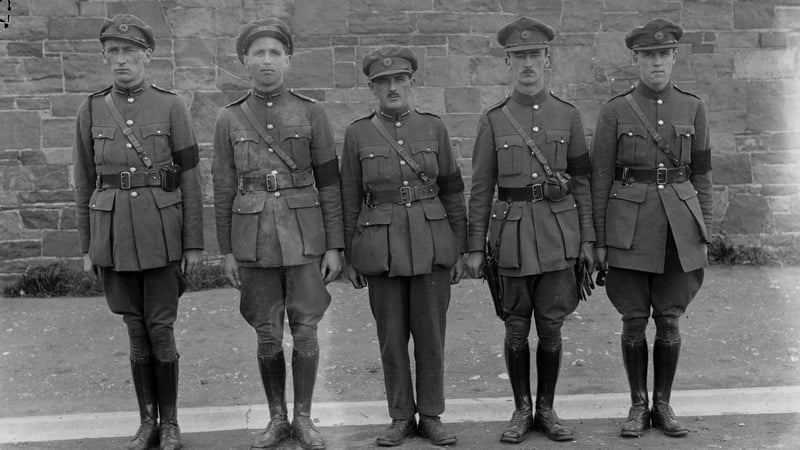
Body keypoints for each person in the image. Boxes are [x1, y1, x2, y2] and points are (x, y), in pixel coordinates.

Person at [211, 17, 343, 450]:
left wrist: (335, 245)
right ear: (244, 60)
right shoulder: (228, 119)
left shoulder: (311, 112)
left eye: (274, 52)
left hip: (305, 236)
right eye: (258, 53)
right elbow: (224, 186)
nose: (266, 60)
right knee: (266, 332)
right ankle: (276, 419)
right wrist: (227, 251)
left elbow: (328, 182)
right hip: (253, 239)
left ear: (288, 59)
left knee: (305, 329)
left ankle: (303, 419)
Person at [73, 13, 203, 450]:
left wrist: (194, 243)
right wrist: (88, 246)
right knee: (134, 327)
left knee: (161, 328)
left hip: (162, 234)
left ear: (147, 54)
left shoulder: (172, 105)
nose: (121, 60)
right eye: (113, 52)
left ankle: (171, 425)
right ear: (105, 57)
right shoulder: (91, 109)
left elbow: (189, 179)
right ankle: (146, 422)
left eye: (130, 52)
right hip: (113, 238)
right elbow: (83, 181)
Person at [465, 17, 596, 444]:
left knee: (553, 326)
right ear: (507, 62)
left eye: (534, 55)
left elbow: (583, 181)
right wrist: (474, 248)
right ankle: (522, 410)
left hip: (560, 234)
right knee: (516, 326)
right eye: (518, 56)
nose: (527, 63)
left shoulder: (568, 115)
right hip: (513, 238)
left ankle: (547, 409)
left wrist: (589, 240)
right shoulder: (494, 120)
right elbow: (482, 190)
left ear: (547, 59)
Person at [591, 18, 713, 439]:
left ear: (674, 57)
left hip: (679, 227)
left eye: (663, 54)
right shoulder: (615, 110)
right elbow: (600, 179)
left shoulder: (693, 107)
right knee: (632, 318)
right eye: (648, 56)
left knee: (670, 319)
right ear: (636, 60)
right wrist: (600, 240)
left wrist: (705, 230)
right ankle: (637, 405)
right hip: (628, 227)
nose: (656, 62)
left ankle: (663, 404)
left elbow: (703, 175)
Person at [341, 46, 467, 447]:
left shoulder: (434, 127)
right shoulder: (357, 133)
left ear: (412, 82)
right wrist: (351, 255)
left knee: (431, 335)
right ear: (372, 89)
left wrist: (459, 249)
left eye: (399, 80)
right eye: (383, 82)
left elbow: (452, 190)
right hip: (381, 248)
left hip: (432, 244)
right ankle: (400, 416)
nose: (392, 88)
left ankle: (430, 415)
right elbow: (348, 199)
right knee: (391, 337)